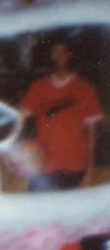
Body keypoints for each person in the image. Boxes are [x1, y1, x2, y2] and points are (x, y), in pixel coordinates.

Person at [17, 38, 102, 193]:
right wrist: (23, 157)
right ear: (50, 56)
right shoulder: (38, 87)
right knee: (41, 214)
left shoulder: (85, 88)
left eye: (63, 51)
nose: (59, 56)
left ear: (70, 54)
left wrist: (90, 171)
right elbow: (18, 121)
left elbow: (92, 134)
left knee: (73, 215)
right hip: (43, 167)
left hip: (75, 165)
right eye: (54, 52)